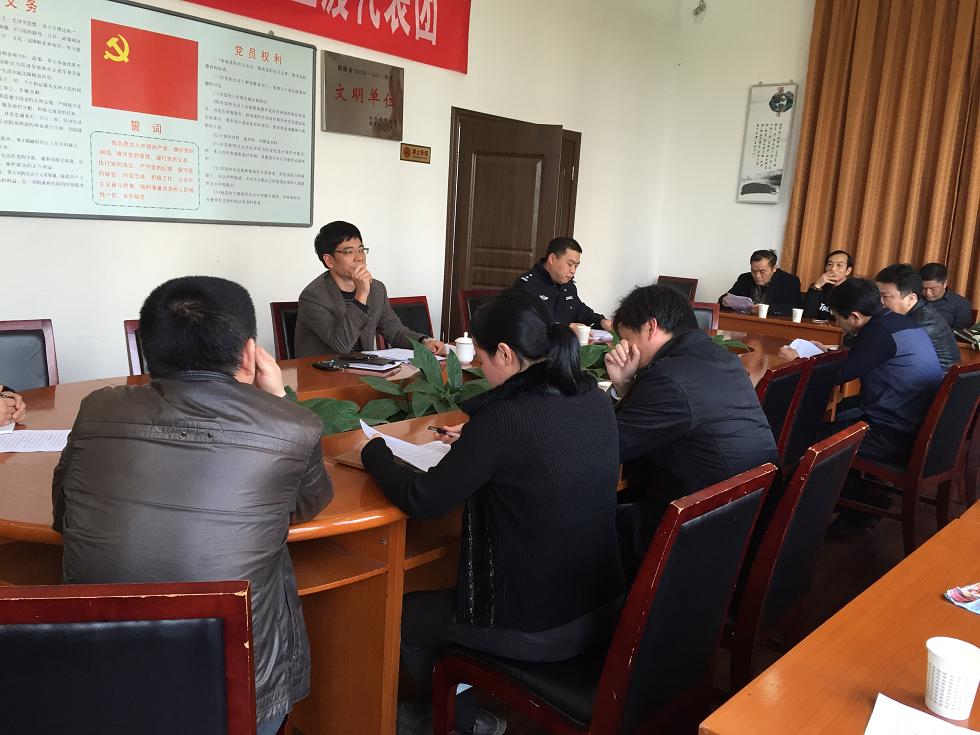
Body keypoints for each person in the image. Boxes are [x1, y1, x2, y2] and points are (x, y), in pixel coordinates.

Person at [52, 276, 334, 735]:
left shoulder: (97, 408)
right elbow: (306, 504)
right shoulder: (292, 425)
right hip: (238, 695)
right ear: (250, 354)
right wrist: (275, 399)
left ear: (148, 350)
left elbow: (64, 515)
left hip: (96, 680)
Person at [360, 289, 624, 735]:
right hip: (603, 606)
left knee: (402, 614)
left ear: (504, 352)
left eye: (481, 359)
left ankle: (456, 721)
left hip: (541, 625)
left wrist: (375, 452)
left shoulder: (504, 418)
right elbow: (543, 447)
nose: (481, 370)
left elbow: (423, 499)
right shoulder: (593, 398)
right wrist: (477, 445)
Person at [605, 285, 778, 563]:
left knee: (583, 525)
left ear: (650, 327)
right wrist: (626, 385)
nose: (625, 349)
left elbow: (609, 445)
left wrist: (622, 387)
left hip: (695, 528)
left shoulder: (668, 376)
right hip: (746, 513)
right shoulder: (723, 358)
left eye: (626, 339)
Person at [779, 278, 943, 534]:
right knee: (836, 418)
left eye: (837, 317)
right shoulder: (897, 322)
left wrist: (798, 360)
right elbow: (861, 358)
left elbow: (838, 375)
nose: (837, 323)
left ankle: (852, 509)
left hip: (892, 434)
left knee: (803, 441)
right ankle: (863, 505)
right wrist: (827, 353)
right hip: (913, 422)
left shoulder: (878, 334)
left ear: (855, 316)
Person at [295, 221, 446, 357]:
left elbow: (395, 331)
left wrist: (424, 342)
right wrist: (361, 295)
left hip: (363, 370)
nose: (359, 257)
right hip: (323, 373)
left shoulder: (376, 289)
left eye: (361, 250)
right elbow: (341, 345)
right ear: (329, 260)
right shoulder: (313, 296)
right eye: (349, 252)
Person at [512, 237, 613, 330]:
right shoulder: (527, 285)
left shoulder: (567, 284)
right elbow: (524, 325)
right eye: (570, 264)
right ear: (552, 259)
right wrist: (567, 327)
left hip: (564, 343)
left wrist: (601, 321)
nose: (573, 271)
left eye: (576, 266)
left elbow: (579, 310)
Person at [876, 264, 960, 372]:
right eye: (878, 296)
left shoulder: (921, 323)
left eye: (885, 296)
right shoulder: (918, 309)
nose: (879, 302)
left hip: (938, 379)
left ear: (911, 298)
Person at [719, 249, 802, 316]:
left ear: (774, 268)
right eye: (753, 271)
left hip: (774, 324)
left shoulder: (789, 281)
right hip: (746, 322)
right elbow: (726, 298)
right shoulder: (744, 278)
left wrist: (767, 309)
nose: (757, 276)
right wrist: (725, 301)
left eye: (762, 271)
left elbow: (795, 307)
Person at [919, 262, 974, 330]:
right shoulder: (914, 298)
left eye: (932, 288)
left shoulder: (960, 304)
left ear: (945, 283)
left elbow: (960, 333)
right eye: (924, 288)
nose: (928, 293)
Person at [802, 249, 854, 319]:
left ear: (848, 271)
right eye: (829, 264)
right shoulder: (817, 287)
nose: (832, 268)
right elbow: (807, 316)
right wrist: (817, 286)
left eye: (839, 265)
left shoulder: (854, 291)